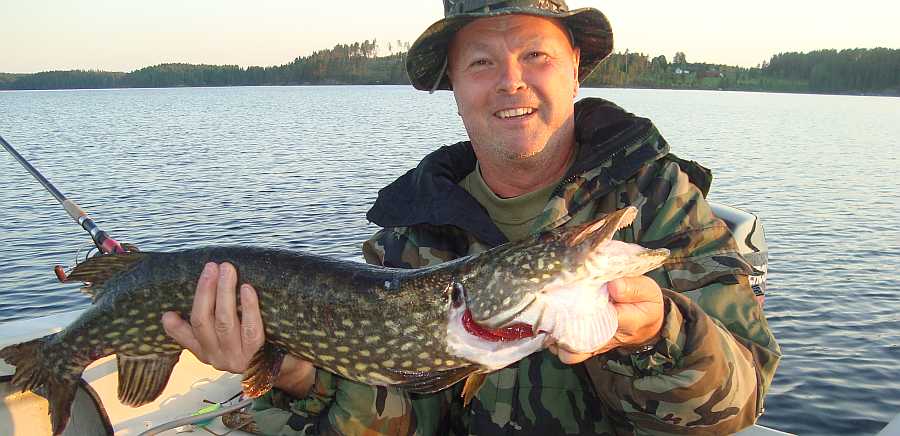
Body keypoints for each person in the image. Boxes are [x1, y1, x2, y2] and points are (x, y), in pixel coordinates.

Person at [162, 1, 781, 434]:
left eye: (535, 54)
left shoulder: (662, 203)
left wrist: (658, 335)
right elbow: (402, 424)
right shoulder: (410, 237)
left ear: (574, 70)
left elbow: (737, 407)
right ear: (455, 85)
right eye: (481, 63)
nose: (510, 82)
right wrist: (294, 372)